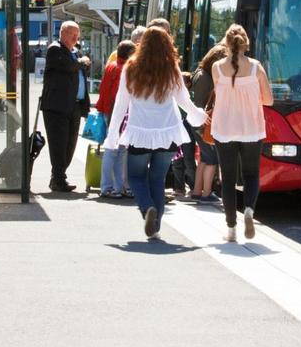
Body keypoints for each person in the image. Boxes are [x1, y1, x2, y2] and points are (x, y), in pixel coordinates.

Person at [103, 27, 206, 239]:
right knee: (157, 179)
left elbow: (120, 105)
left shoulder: (131, 68)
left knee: (136, 176)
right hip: (167, 132)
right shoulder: (171, 69)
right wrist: (199, 116)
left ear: (142, 44)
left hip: (140, 131)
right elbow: (184, 101)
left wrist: (112, 135)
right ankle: (156, 228)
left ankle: (147, 208)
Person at [210, 24, 273, 242]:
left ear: (226, 43)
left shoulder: (217, 68)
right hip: (251, 129)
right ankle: (248, 210)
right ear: (245, 42)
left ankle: (231, 229)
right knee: (251, 174)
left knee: (227, 179)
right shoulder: (256, 68)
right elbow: (269, 100)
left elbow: (219, 93)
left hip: (224, 128)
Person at [42, 21, 91, 192]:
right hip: (57, 106)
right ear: (63, 33)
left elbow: (80, 75)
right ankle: (58, 179)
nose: (76, 37)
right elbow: (69, 66)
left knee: (70, 145)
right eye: (72, 34)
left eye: (78, 34)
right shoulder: (55, 49)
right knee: (58, 144)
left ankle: (58, 177)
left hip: (74, 106)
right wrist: (82, 62)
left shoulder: (75, 52)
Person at [94, 39, 135, 198]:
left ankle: (114, 186)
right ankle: (112, 186)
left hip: (107, 111)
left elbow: (104, 90)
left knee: (114, 149)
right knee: (118, 151)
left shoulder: (111, 66)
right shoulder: (125, 69)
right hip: (118, 113)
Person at [189, 42, 226, 202]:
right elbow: (200, 102)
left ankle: (197, 191)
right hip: (201, 123)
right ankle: (206, 193)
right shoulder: (206, 77)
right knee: (211, 159)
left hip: (196, 122)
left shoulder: (200, 72)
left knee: (204, 158)